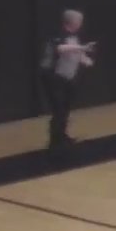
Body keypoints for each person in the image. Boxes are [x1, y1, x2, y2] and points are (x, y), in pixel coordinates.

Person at [39, 10, 94, 151]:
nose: (81, 23)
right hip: (54, 77)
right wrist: (82, 47)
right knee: (59, 110)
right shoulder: (58, 34)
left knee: (65, 109)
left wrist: (85, 59)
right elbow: (61, 48)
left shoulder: (75, 36)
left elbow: (76, 52)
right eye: (79, 21)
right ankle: (54, 142)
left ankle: (62, 136)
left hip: (68, 77)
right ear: (72, 22)